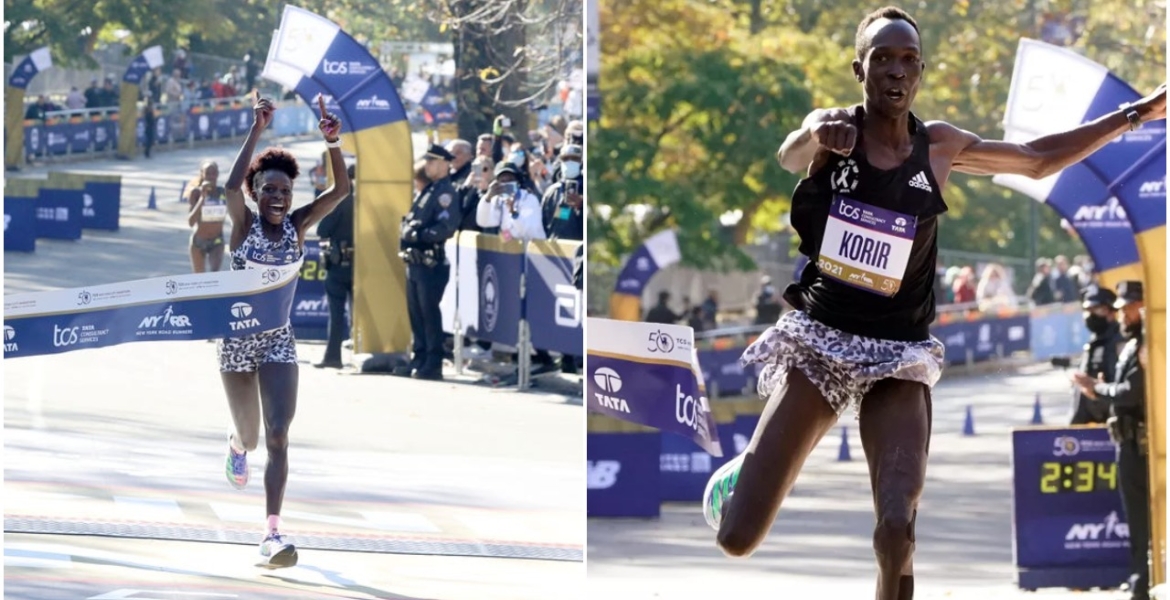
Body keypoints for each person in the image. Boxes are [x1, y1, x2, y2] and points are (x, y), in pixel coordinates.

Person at [699, 7, 1166, 600]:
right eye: (882, 60)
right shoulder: (835, 130)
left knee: (897, 527)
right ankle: (750, 469)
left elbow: (1038, 158)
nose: (896, 71)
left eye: (908, 61)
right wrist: (816, 133)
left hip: (899, 352)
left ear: (920, 72)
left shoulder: (939, 147)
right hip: (822, 341)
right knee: (737, 539)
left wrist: (1135, 114)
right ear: (859, 69)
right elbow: (791, 154)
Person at [219, 93, 350, 568]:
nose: (278, 199)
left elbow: (339, 193)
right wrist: (257, 129)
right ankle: (235, 445)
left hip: (277, 341)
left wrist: (332, 142)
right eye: (269, 191)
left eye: (285, 192)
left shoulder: (297, 226)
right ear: (258, 194)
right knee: (252, 439)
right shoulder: (243, 225)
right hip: (236, 345)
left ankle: (272, 534)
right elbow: (231, 190)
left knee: (278, 436)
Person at [1072, 281, 1149, 600]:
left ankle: (1143, 580)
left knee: (1146, 515)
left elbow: (1131, 392)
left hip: (1141, 443)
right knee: (1135, 516)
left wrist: (1096, 388)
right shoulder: (1132, 344)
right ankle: (1139, 578)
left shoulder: (1146, 344)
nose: (1122, 314)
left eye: (1128, 308)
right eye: (1121, 308)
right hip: (1127, 442)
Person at [394, 144, 462, 380]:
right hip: (415, 261)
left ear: (444, 163)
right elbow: (412, 219)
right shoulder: (429, 190)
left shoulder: (446, 193)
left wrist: (420, 235)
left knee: (429, 313)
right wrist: (408, 230)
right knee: (417, 313)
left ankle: (433, 363)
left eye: (432, 162)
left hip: (430, 261)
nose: (428, 166)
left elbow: (446, 226)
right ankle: (419, 357)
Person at [315, 163, 356, 369]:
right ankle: (361, 352)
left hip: (339, 263)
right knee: (360, 313)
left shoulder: (340, 201)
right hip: (364, 264)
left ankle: (333, 356)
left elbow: (323, 229)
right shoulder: (368, 200)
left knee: (337, 313)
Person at [1069, 284, 1122, 426]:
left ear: (1111, 311)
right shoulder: (1094, 342)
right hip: (1086, 426)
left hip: (1111, 425)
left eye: (1097, 309)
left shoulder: (1118, 341)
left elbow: (1121, 390)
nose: (1091, 315)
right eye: (1088, 310)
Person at [186, 161, 227, 273]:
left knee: (214, 275)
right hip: (198, 241)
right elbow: (191, 222)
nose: (211, 176)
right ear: (202, 174)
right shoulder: (195, 193)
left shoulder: (223, 192)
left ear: (218, 174)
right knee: (200, 280)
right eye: (208, 173)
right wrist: (202, 199)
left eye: (214, 173)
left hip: (217, 241)